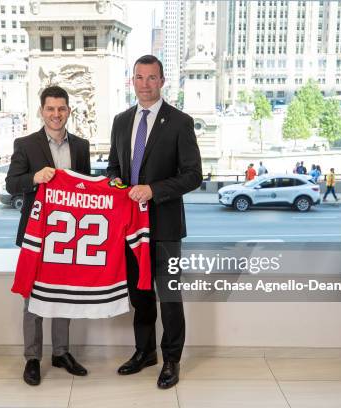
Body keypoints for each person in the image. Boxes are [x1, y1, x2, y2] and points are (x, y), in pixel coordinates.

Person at [107, 55, 202, 389]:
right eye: (139, 77)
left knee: (169, 296)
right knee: (140, 293)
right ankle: (144, 352)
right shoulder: (120, 121)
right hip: (130, 227)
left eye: (151, 77)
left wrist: (152, 190)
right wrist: (117, 184)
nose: (145, 84)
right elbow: (113, 168)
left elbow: (193, 176)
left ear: (162, 81)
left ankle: (172, 359)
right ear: (131, 81)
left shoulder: (179, 122)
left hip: (164, 226)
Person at [6, 85, 91, 386]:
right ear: (41, 111)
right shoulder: (26, 144)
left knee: (63, 296)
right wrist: (34, 178)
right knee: (32, 299)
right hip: (35, 235)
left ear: (69, 111)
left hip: (68, 238)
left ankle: (61, 352)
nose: (56, 114)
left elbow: (87, 189)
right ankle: (32, 358)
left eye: (61, 109)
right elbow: (11, 184)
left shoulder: (81, 146)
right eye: (50, 109)